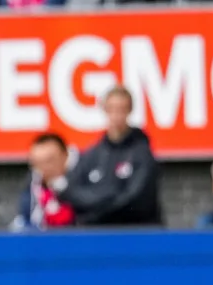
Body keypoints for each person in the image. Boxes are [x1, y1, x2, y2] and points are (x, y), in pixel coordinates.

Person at [46, 85, 162, 226]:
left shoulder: (142, 154)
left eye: (121, 109)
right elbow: (70, 191)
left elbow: (136, 200)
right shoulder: (92, 154)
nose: (116, 115)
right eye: (111, 109)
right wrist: (108, 196)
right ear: (104, 110)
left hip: (136, 233)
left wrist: (95, 206)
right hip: (98, 234)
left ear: (129, 111)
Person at [16, 132, 77, 229]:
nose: (44, 168)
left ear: (65, 156)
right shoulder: (32, 185)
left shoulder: (84, 179)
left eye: (49, 161)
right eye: (37, 163)